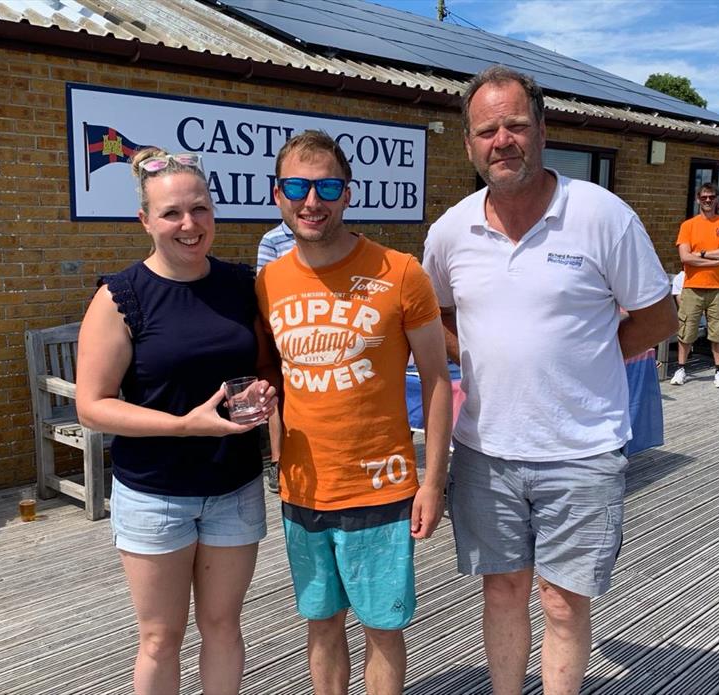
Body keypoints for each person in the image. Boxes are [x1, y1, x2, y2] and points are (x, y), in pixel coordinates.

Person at [422, 66, 677, 695]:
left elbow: (660, 316)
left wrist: (588, 357)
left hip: (582, 452)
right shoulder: (450, 231)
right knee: (503, 590)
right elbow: (436, 318)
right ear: (470, 145)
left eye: (515, 124)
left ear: (542, 129)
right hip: (485, 450)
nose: (502, 139)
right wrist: (478, 353)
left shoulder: (601, 215)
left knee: (563, 603)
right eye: (487, 130)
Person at [255, 130, 452, 695]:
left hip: (380, 487)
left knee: (383, 628)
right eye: (296, 186)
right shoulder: (268, 282)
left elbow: (438, 382)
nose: (311, 200)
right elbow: (274, 378)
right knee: (320, 625)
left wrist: (433, 482)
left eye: (326, 186)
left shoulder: (401, 272)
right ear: (277, 195)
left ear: (348, 194)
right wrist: (273, 449)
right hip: (303, 489)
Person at [76, 148, 278, 695]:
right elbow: (92, 405)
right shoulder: (121, 296)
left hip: (233, 487)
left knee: (222, 627)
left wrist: (264, 392)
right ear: (145, 220)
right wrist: (183, 425)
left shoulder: (240, 285)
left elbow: (264, 366)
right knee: (161, 639)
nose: (189, 225)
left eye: (201, 209)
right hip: (154, 494)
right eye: (171, 213)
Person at [669, 183, 719, 388]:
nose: (708, 200)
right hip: (692, 286)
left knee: (718, 331)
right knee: (687, 329)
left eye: (711, 197)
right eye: (704, 197)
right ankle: (681, 369)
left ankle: (718, 371)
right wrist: (715, 261)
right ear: (698, 199)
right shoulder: (688, 225)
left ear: (716, 199)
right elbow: (685, 257)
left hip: (717, 288)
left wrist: (703, 254)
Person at [256, 221, 296, 493]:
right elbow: (265, 287)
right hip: (282, 327)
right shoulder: (272, 240)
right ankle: (277, 460)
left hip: (316, 325)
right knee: (277, 396)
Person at [671, 271, 719, 371]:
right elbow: (681, 304)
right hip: (695, 312)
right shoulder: (681, 278)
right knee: (715, 324)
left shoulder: (711, 274)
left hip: (715, 307)